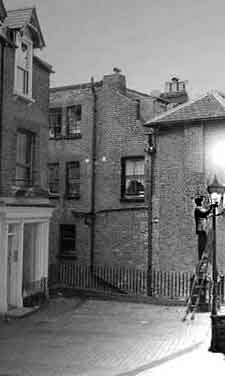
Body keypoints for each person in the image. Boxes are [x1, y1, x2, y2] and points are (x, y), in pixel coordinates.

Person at [194, 196, 213, 261]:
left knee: (204, 243)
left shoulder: (200, 208)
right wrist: (211, 207)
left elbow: (206, 214)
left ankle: (203, 257)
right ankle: (201, 258)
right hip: (201, 228)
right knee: (203, 244)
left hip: (203, 227)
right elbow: (205, 213)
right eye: (201, 201)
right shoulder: (198, 208)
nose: (202, 202)